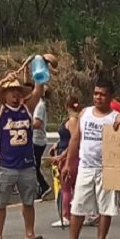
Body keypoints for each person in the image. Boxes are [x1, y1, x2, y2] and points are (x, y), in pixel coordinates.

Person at [0, 73, 53, 239]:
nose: (15, 95)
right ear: (4, 94)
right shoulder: (0, 111)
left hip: (26, 165)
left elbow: (38, 90)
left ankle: (30, 234)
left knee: (28, 201)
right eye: (11, 91)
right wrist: (3, 81)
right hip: (5, 165)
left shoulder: (27, 108)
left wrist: (40, 69)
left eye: (17, 91)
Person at [54, 79, 120, 239]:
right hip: (85, 167)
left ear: (110, 97)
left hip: (106, 168)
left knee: (106, 208)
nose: (98, 97)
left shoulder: (116, 117)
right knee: (78, 206)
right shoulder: (85, 113)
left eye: (103, 94)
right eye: (96, 94)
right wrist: (68, 164)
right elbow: (75, 139)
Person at [50, 96, 81, 228]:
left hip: (69, 157)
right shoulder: (71, 120)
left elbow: (74, 140)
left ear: (66, 106)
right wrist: (57, 145)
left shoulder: (73, 121)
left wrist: (62, 156)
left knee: (66, 187)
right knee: (72, 186)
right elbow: (66, 137)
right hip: (65, 153)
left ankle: (67, 215)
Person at [32, 90, 51, 201]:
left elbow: (37, 124)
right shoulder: (36, 104)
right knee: (34, 166)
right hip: (35, 139)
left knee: (33, 166)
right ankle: (42, 187)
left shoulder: (39, 106)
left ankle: (43, 187)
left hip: (37, 140)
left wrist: (24, 124)